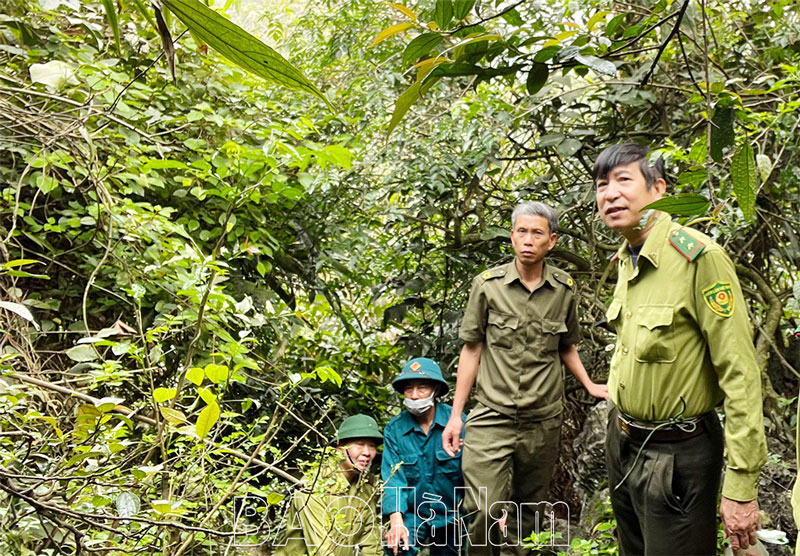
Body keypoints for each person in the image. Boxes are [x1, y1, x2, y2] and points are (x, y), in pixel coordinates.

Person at [593, 142, 767, 555]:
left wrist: (741, 485)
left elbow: (739, 371)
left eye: (623, 180)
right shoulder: (626, 260)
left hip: (677, 454)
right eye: (601, 185)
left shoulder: (697, 258)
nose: (610, 194)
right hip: (623, 443)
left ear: (659, 189)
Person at [442, 201, 608, 555]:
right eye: (521, 231)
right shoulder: (488, 286)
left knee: (528, 515)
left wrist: (590, 385)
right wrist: (456, 415)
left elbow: (566, 346)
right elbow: (472, 349)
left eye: (537, 233)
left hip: (542, 420)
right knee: (484, 509)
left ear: (551, 241)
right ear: (512, 236)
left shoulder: (562, 289)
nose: (528, 240)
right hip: (491, 415)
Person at [382, 357, 466, 555]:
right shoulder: (395, 430)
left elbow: (477, 471)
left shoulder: (458, 423)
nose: (414, 395)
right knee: (396, 547)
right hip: (414, 514)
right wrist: (396, 522)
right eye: (408, 389)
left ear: (435, 390)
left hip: (452, 514)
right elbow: (393, 481)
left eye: (422, 388)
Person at [275, 414, 384, 556]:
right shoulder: (314, 486)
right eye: (359, 444)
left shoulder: (366, 488)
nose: (367, 453)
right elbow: (322, 551)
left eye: (372, 446)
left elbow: (372, 545)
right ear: (339, 447)